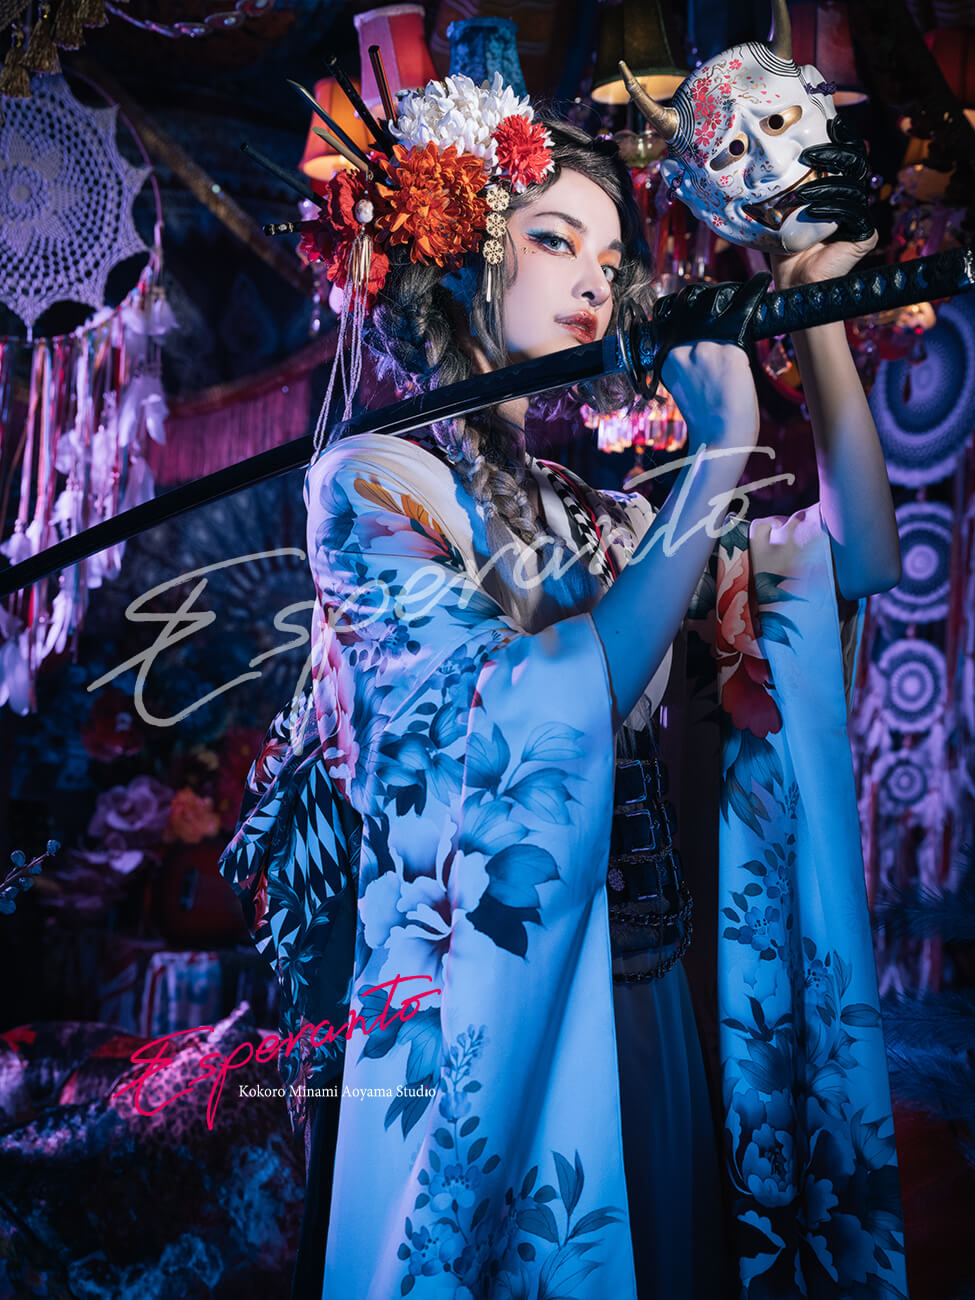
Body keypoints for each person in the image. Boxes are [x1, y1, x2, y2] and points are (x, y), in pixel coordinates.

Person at [220, 73, 907, 1300]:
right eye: (555, 238)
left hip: (644, 988)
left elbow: (856, 561)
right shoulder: (370, 488)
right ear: (462, 255)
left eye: (610, 256)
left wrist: (817, 313)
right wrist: (714, 461)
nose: (596, 277)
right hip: (480, 1018)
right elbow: (534, 715)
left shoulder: (606, 518)